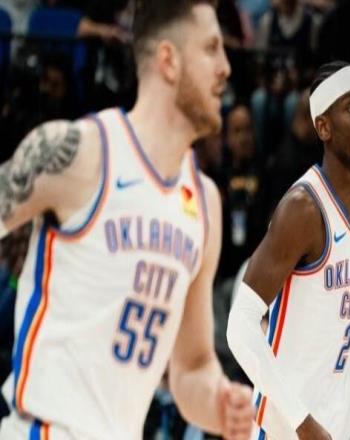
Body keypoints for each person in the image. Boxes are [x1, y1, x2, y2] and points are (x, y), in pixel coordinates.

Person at [0, 1, 254, 439]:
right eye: (212, 48)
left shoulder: (205, 202)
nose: (226, 68)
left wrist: (219, 401)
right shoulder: (80, 152)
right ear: (169, 60)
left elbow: (192, 366)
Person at [227, 60, 350, 440]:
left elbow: (339, 321)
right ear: (323, 127)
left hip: (338, 424)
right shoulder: (303, 209)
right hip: (288, 429)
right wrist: (302, 422)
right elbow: (239, 326)